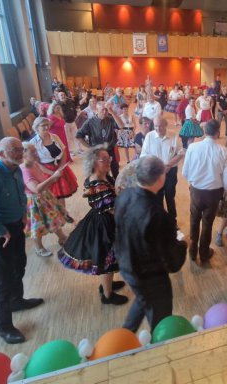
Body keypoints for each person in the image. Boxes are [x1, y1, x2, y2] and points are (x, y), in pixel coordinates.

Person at [0, 137, 44, 344]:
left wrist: (22, 214)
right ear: (1, 153)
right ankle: (3, 326)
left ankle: (17, 301)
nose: (19, 152)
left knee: (19, 265)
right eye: (14, 150)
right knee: (3, 279)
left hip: (14, 226)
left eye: (20, 149)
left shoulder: (16, 170)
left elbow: (20, 193)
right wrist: (0, 230)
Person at [115, 156, 187, 332]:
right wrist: (184, 244)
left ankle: (126, 334)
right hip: (149, 275)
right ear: (161, 178)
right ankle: (158, 344)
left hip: (125, 262)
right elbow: (172, 263)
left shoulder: (125, 195)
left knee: (142, 298)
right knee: (160, 313)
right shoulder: (158, 216)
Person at [58, 145, 128, 305]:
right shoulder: (97, 183)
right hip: (104, 225)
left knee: (109, 259)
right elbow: (113, 209)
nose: (109, 162)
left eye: (109, 158)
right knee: (107, 260)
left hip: (103, 221)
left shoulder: (104, 176)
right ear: (94, 162)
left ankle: (107, 285)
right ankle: (108, 295)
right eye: (104, 159)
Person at [182, 120, 227, 263]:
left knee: (194, 220)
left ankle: (192, 250)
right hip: (214, 194)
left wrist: (193, 183)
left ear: (204, 131)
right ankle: (204, 253)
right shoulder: (224, 151)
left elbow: (185, 172)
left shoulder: (192, 147)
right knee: (207, 223)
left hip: (196, 191)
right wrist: (224, 190)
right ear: (218, 132)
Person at [20, 143, 68, 257]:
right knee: (37, 227)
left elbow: (42, 179)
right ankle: (39, 247)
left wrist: (53, 176)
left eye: (35, 150)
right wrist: (53, 177)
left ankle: (62, 238)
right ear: (24, 153)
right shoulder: (25, 169)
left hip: (44, 196)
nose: (36, 153)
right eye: (33, 152)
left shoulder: (34, 163)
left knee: (54, 218)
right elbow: (36, 189)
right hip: (34, 201)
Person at [30, 117, 78, 216]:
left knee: (61, 194)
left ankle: (64, 213)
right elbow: (36, 163)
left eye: (47, 125)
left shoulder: (54, 136)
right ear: (37, 128)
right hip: (45, 171)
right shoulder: (33, 142)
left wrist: (60, 167)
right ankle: (56, 215)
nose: (47, 127)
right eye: (43, 125)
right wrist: (51, 173)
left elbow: (64, 151)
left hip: (60, 168)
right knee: (50, 195)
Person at [141, 117, 185, 220]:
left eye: (160, 126)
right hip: (155, 173)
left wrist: (168, 165)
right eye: (156, 126)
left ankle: (173, 219)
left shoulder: (173, 135)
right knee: (157, 197)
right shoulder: (149, 136)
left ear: (166, 125)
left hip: (170, 172)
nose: (158, 128)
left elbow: (181, 153)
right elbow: (144, 155)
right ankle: (160, 220)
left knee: (170, 196)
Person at [76, 101, 125, 178]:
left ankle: (115, 184)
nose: (105, 112)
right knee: (103, 173)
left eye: (106, 109)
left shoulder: (111, 119)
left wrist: (112, 112)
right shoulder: (90, 122)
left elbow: (121, 126)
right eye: (102, 110)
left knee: (115, 170)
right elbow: (79, 135)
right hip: (98, 152)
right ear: (97, 110)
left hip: (110, 150)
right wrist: (89, 147)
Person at [56, 91, 81, 156]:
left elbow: (74, 111)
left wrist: (75, 116)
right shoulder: (58, 105)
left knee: (77, 136)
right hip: (65, 124)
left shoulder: (70, 102)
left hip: (73, 122)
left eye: (63, 94)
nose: (63, 96)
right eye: (61, 95)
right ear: (58, 97)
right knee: (68, 138)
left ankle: (79, 149)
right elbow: (57, 115)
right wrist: (62, 121)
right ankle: (70, 151)